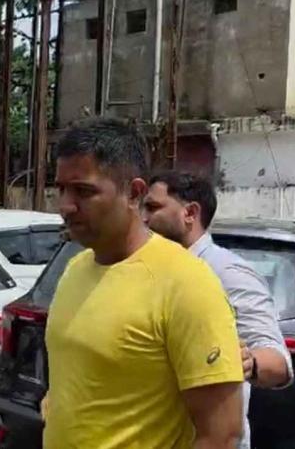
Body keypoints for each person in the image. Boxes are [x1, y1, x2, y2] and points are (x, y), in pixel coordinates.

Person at [45, 119, 244, 448]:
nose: (65, 205)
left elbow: (221, 434)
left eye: (83, 191)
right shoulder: (75, 269)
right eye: (61, 189)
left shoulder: (186, 282)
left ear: (134, 193)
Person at [143, 171, 293, 448]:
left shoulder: (227, 272)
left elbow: (279, 362)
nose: (143, 218)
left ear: (190, 213)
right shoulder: (146, 270)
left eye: (153, 207)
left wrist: (249, 362)